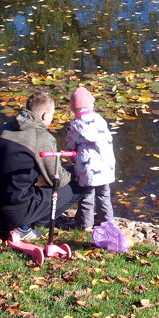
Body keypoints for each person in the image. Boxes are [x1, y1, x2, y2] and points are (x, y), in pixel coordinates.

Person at [0, 92, 80, 238]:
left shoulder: (6, 128)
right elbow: (57, 180)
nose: (52, 119)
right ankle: (25, 227)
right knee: (77, 188)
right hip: (15, 211)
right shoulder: (42, 137)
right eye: (52, 115)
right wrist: (74, 171)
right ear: (45, 115)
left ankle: (4, 224)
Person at [65, 86, 115, 231]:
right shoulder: (101, 121)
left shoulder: (74, 125)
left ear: (74, 108)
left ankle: (85, 225)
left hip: (87, 168)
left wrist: (72, 155)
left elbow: (70, 144)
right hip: (106, 164)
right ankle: (107, 222)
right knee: (104, 194)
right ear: (90, 105)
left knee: (87, 195)